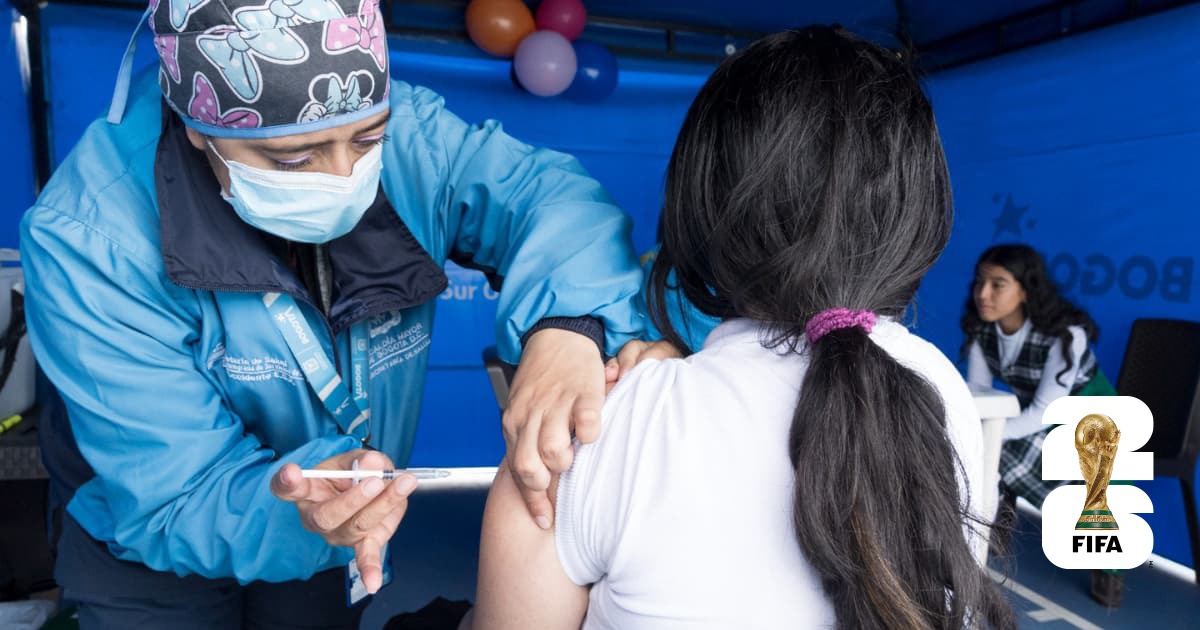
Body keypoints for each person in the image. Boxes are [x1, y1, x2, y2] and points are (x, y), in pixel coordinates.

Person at [20, 0, 649, 626]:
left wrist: (568, 326)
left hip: (337, 528)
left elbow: (554, 201)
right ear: (199, 130)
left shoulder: (412, 138)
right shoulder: (90, 235)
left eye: (368, 139)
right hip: (148, 558)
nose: (347, 177)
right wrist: (299, 507)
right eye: (294, 160)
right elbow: (174, 491)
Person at [464, 26, 1014, 629]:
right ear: (919, 209)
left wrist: (642, 400)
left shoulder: (604, 429)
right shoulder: (941, 393)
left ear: (701, 201)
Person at [961, 243, 1121, 605]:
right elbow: (979, 395)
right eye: (979, 282)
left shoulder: (1066, 335)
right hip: (1046, 421)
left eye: (997, 284)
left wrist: (982, 434)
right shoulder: (983, 331)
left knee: (994, 444)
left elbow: (1046, 412)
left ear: (1025, 290)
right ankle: (987, 525)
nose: (983, 294)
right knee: (984, 441)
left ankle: (1109, 566)